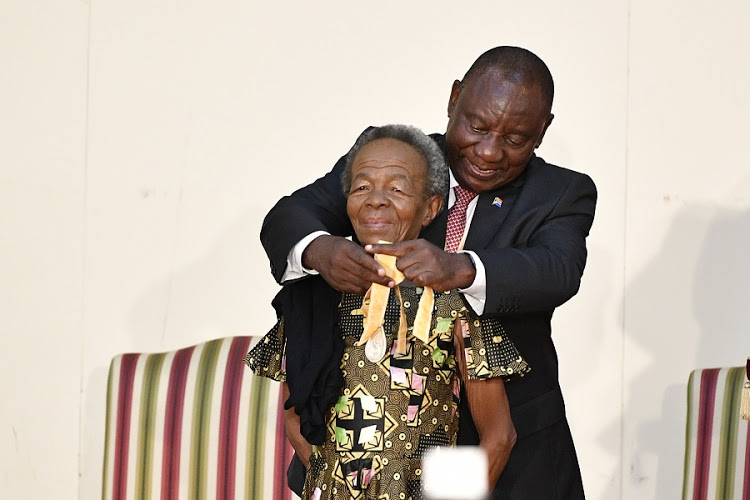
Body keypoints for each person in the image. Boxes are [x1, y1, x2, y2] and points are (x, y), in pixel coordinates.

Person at [260, 47, 597, 499]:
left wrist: (459, 268)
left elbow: (557, 270)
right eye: (476, 126)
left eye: (516, 138)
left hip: (504, 449)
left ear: (544, 129)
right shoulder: (395, 156)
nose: (490, 151)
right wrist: (321, 251)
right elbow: (290, 216)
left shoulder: (561, 193)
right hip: (374, 451)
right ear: (454, 97)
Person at [247, 125, 529, 499]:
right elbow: (296, 417)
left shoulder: (456, 304)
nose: (376, 200)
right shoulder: (312, 303)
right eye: (361, 187)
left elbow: (498, 436)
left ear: (430, 208)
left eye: (396, 189)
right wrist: (337, 487)